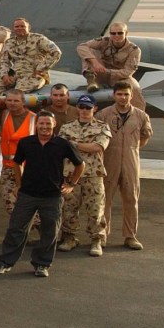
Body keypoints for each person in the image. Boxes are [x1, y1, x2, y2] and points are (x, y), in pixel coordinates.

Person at [0, 111, 84, 277]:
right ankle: (5, 262)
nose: (44, 127)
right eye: (41, 123)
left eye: (48, 123)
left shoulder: (62, 144)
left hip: (52, 196)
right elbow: (17, 163)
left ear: (54, 125)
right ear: (36, 125)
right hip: (28, 194)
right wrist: (19, 184)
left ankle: (42, 264)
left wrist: (71, 184)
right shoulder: (26, 143)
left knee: (50, 231)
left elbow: (80, 164)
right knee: (16, 228)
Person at [96, 82, 153, 250]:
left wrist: (131, 149)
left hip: (131, 159)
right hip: (108, 160)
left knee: (131, 199)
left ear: (131, 96)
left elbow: (145, 136)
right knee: (104, 199)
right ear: (114, 95)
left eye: (126, 94)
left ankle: (130, 236)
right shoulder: (103, 115)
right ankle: (102, 235)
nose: (123, 97)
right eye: (120, 94)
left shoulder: (141, 116)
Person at [57, 95, 113, 256]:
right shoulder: (66, 127)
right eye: (81, 107)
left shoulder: (102, 127)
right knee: (68, 208)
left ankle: (96, 240)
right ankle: (69, 237)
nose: (84, 110)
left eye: (88, 107)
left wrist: (73, 144)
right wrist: (80, 147)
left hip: (92, 174)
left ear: (95, 109)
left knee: (95, 209)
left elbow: (98, 147)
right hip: (70, 174)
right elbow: (61, 148)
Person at [0, 18, 62, 97]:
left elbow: (56, 52)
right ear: (13, 29)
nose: (19, 28)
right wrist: (4, 75)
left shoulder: (38, 39)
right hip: (15, 73)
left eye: (22, 26)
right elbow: (4, 61)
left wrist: (41, 68)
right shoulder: (9, 42)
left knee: (16, 94)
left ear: (28, 28)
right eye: (17, 27)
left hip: (33, 74)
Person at [77, 22, 145, 109]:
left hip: (120, 77)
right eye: (113, 33)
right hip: (100, 72)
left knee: (135, 89)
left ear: (126, 33)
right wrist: (95, 62)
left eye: (120, 33)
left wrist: (108, 71)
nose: (116, 35)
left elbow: (128, 72)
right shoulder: (104, 41)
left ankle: (139, 117)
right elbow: (81, 47)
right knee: (89, 50)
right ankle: (91, 80)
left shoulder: (134, 50)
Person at [0, 89, 37, 215]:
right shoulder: (3, 115)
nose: (12, 103)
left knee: (32, 204)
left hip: (28, 168)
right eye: (9, 100)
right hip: (8, 167)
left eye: (16, 101)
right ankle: (20, 230)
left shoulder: (34, 118)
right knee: (9, 203)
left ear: (23, 102)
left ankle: (39, 230)